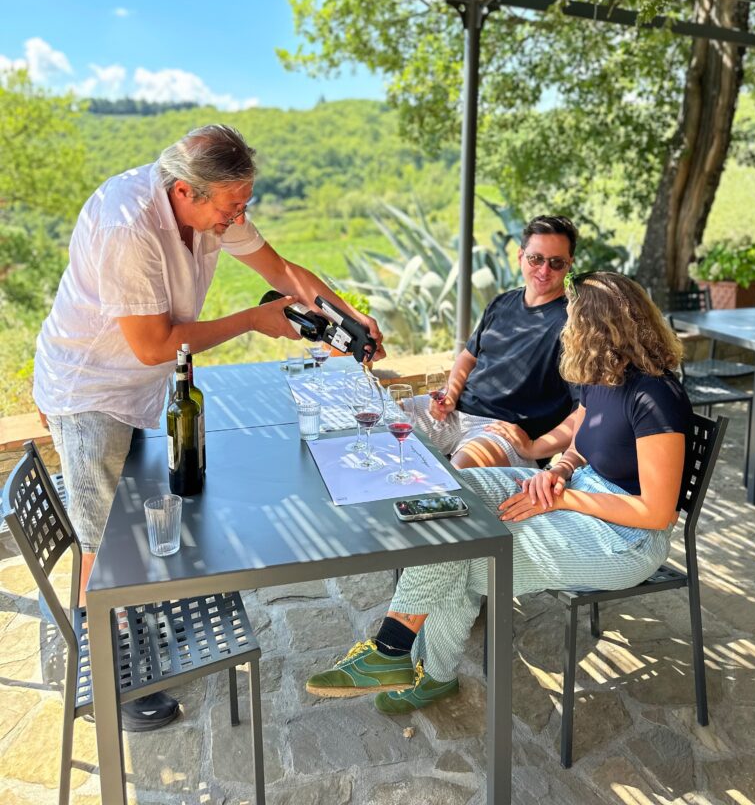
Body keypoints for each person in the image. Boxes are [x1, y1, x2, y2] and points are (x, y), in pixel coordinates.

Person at [34, 123, 383, 730]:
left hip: (138, 388)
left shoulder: (212, 201)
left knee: (131, 528)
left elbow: (280, 269)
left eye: (242, 204)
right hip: (90, 392)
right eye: (231, 208)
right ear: (185, 193)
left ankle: (129, 624)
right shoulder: (127, 226)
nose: (238, 218)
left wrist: (348, 315)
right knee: (105, 547)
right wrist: (252, 321)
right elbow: (154, 345)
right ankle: (110, 682)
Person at [306, 272, 693, 717]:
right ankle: (404, 660)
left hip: (625, 538)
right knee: (450, 493)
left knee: (471, 554)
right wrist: (560, 470)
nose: (565, 330)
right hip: (579, 492)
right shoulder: (602, 375)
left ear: (595, 328)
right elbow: (584, 441)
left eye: (571, 321)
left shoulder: (656, 397)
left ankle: (408, 660)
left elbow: (656, 512)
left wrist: (563, 498)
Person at [412, 215, 579, 469]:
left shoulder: (574, 324)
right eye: (536, 259)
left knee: (457, 479)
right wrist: (449, 395)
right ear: (520, 256)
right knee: (385, 422)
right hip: (457, 414)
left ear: (570, 265)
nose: (544, 270)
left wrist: (535, 447)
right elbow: (469, 357)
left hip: (503, 433)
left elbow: (586, 410)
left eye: (556, 263)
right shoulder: (502, 304)